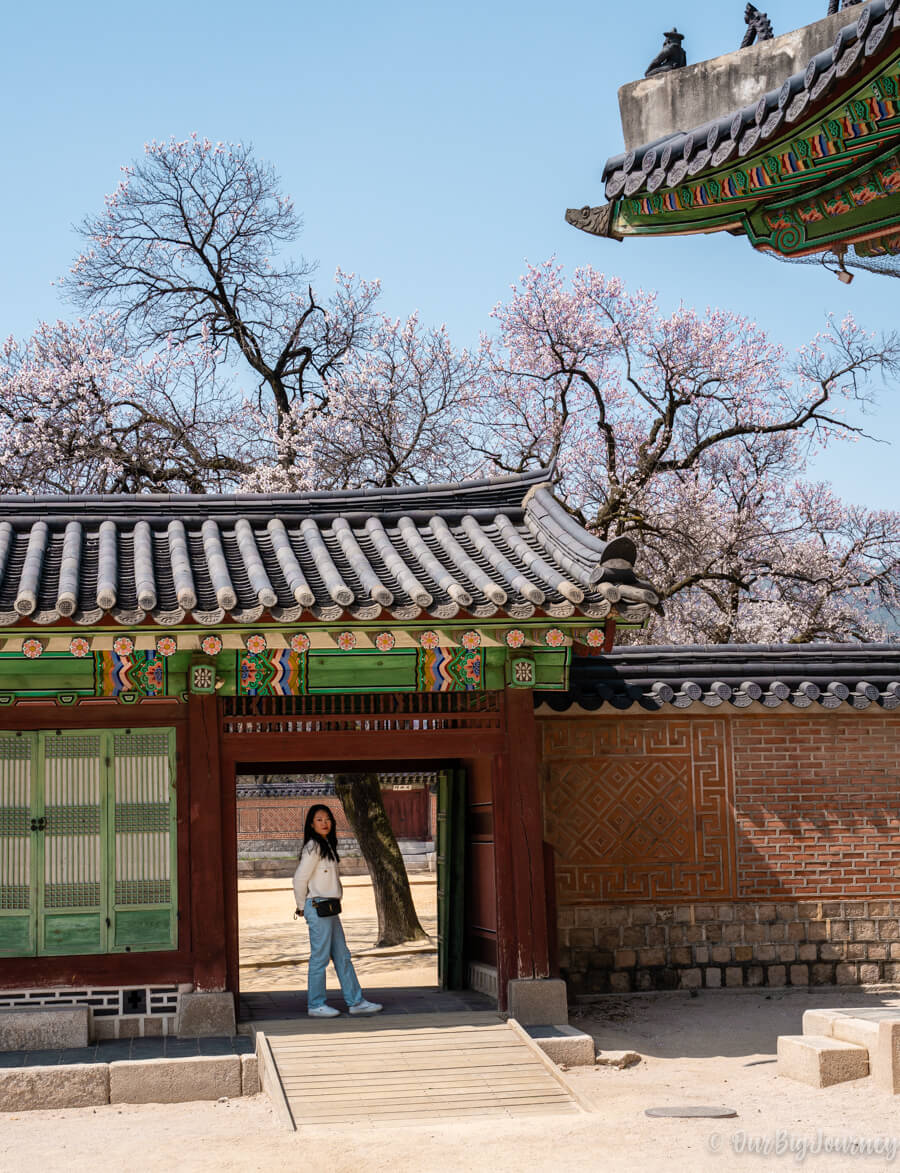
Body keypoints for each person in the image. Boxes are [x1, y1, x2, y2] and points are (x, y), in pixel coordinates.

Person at [293, 803, 383, 1018]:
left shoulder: (326, 845)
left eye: (328, 819)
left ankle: (356, 1001)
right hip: (317, 906)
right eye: (319, 819)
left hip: (330, 907)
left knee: (342, 956)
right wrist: (300, 907)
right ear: (311, 824)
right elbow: (299, 879)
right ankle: (316, 1004)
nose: (325, 823)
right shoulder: (313, 847)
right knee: (320, 958)